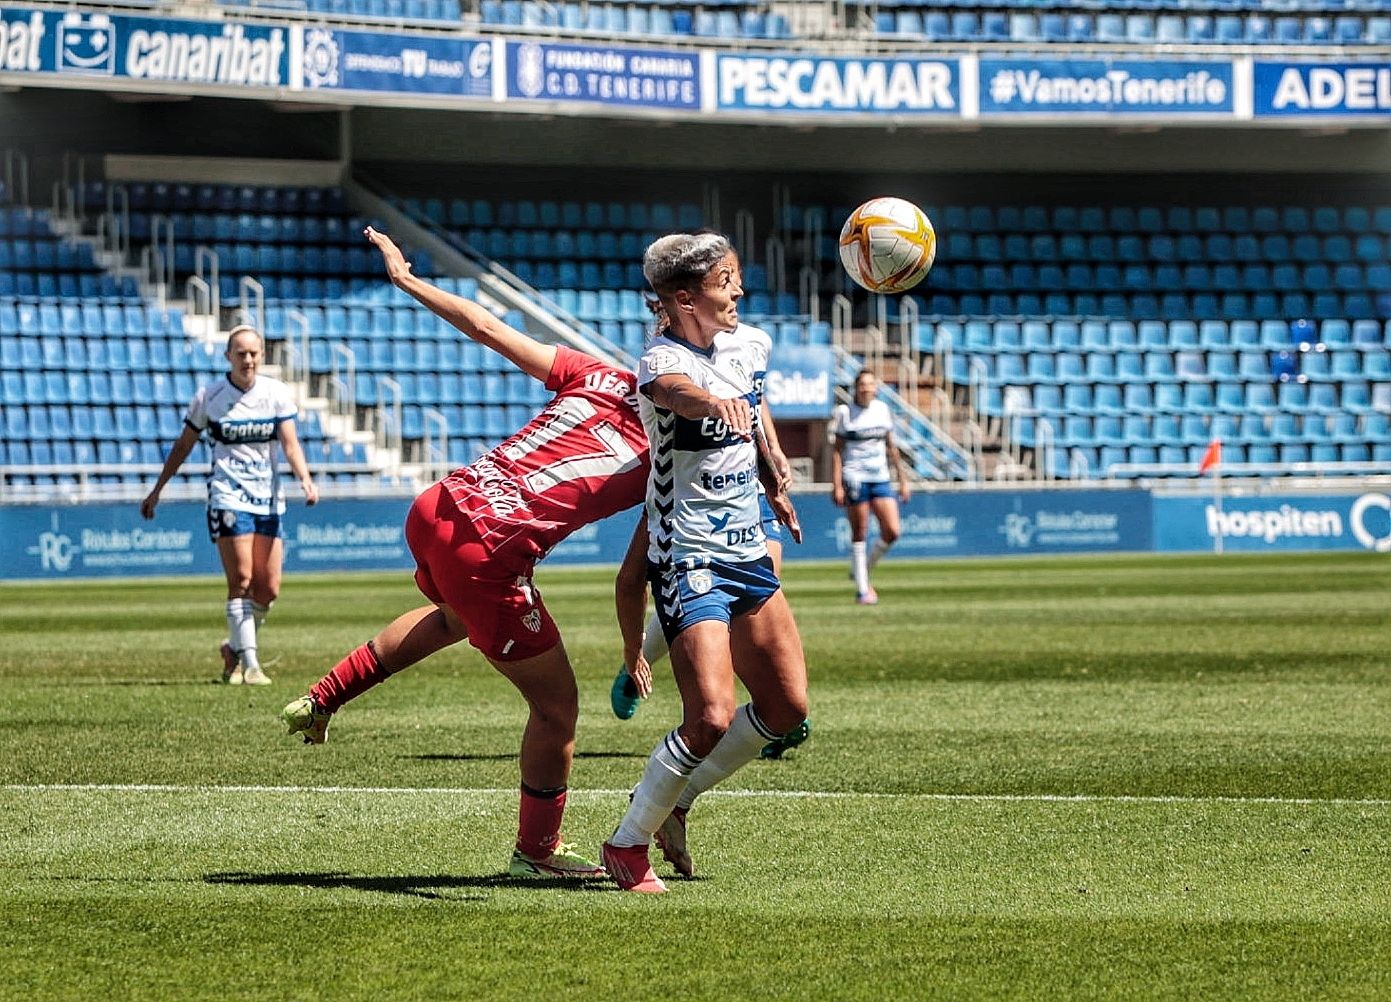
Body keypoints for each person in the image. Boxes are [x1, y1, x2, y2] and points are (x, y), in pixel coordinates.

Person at [279, 226, 650, 880]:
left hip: (438, 504)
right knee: (556, 708)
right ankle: (535, 855)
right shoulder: (668, 454)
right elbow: (642, 566)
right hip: (488, 551)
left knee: (455, 618)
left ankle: (321, 699)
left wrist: (407, 280)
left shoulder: (599, 374)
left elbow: (484, 326)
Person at [599, 232, 810, 894]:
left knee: (786, 709)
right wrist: (707, 403)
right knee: (711, 715)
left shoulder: (750, 344)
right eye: (726, 281)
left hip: (746, 544)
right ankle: (625, 845)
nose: (738, 291)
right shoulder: (658, 360)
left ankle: (678, 802)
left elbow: (753, 401)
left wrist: (772, 467)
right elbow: (673, 393)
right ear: (684, 298)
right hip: (687, 553)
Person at [608, 410, 812, 761]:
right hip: (702, 486)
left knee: (758, 593)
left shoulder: (747, 356)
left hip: (751, 485)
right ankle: (641, 661)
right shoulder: (675, 361)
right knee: (715, 600)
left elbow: (754, 398)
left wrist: (773, 448)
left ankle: (773, 713)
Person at [141, 325, 319, 686]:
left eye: (254, 353)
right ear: (228, 357)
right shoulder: (210, 397)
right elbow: (183, 446)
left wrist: (305, 477)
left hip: (268, 499)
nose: (248, 360)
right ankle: (251, 665)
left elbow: (290, 444)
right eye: (241, 353)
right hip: (228, 495)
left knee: (268, 589)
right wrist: (158, 489)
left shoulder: (276, 394)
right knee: (241, 579)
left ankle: (234, 646)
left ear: (262, 356)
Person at [831, 368, 911, 605]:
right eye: (863, 384)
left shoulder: (882, 410)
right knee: (860, 532)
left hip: (881, 477)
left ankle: (862, 568)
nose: (867, 388)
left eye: (871, 384)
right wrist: (837, 485)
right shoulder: (845, 413)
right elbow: (837, 450)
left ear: (876, 387)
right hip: (855, 477)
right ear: (856, 388)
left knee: (893, 531)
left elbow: (891, 446)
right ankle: (863, 590)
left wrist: (903, 479)